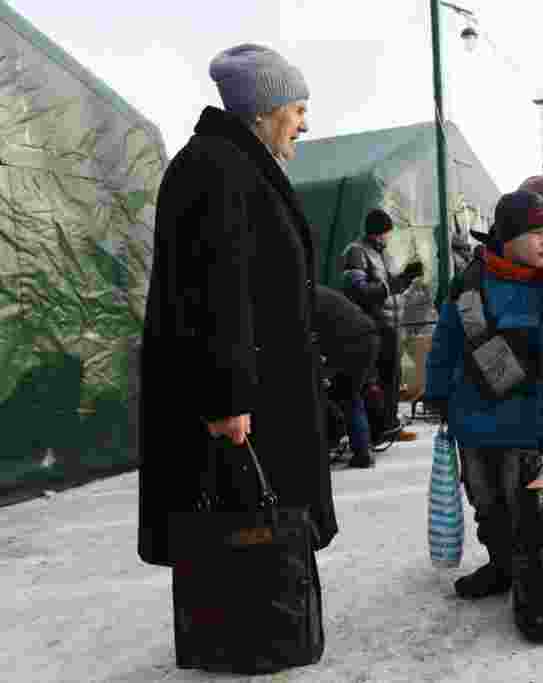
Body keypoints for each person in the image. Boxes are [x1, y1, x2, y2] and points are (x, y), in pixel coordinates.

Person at [138, 43, 338, 663]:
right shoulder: (217, 168)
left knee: (257, 517)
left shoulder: (235, 163)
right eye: (298, 109)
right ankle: (252, 634)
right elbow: (212, 290)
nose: (304, 123)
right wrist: (226, 397)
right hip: (241, 400)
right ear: (265, 109)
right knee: (241, 520)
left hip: (261, 387)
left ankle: (269, 625)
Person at [422, 190, 543, 599]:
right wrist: (437, 391)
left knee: (525, 505)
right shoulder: (470, 282)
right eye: (535, 232)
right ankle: (501, 565)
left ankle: (533, 568)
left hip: (525, 427)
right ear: (506, 237)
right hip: (472, 424)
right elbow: (445, 340)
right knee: (485, 501)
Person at [339, 209, 424, 444]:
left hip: (391, 325)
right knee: (374, 382)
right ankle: (376, 430)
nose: (388, 238)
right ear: (378, 233)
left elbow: (390, 286)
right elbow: (356, 290)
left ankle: (391, 426)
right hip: (371, 326)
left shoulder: (383, 255)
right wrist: (387, 286)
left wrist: (406, 277)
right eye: (386, 233)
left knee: (392, 379)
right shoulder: (356, 252)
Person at [315, 284, 381, 468]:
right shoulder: (320, 293)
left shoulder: (305, 301)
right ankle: (362, 448)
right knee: (348, 394)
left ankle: (361, 451)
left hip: (353, 342)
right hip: (368, 335)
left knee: (347, 395)